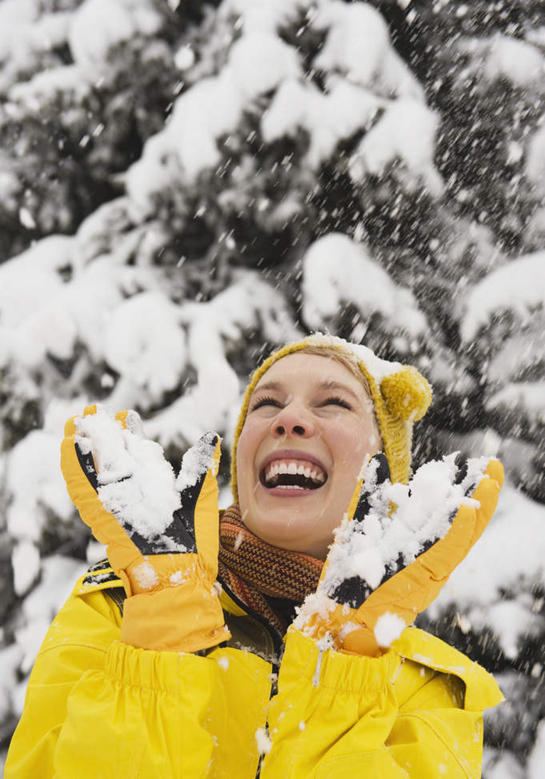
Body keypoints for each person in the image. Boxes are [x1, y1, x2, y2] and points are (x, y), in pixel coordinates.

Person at [5, 333, 504, 778]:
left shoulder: (430, 685)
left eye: (334, 403)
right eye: (267, 404)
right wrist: (163, 628)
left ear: (386, 477)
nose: (289, 419)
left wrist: (346, 661)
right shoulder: (121, 606)